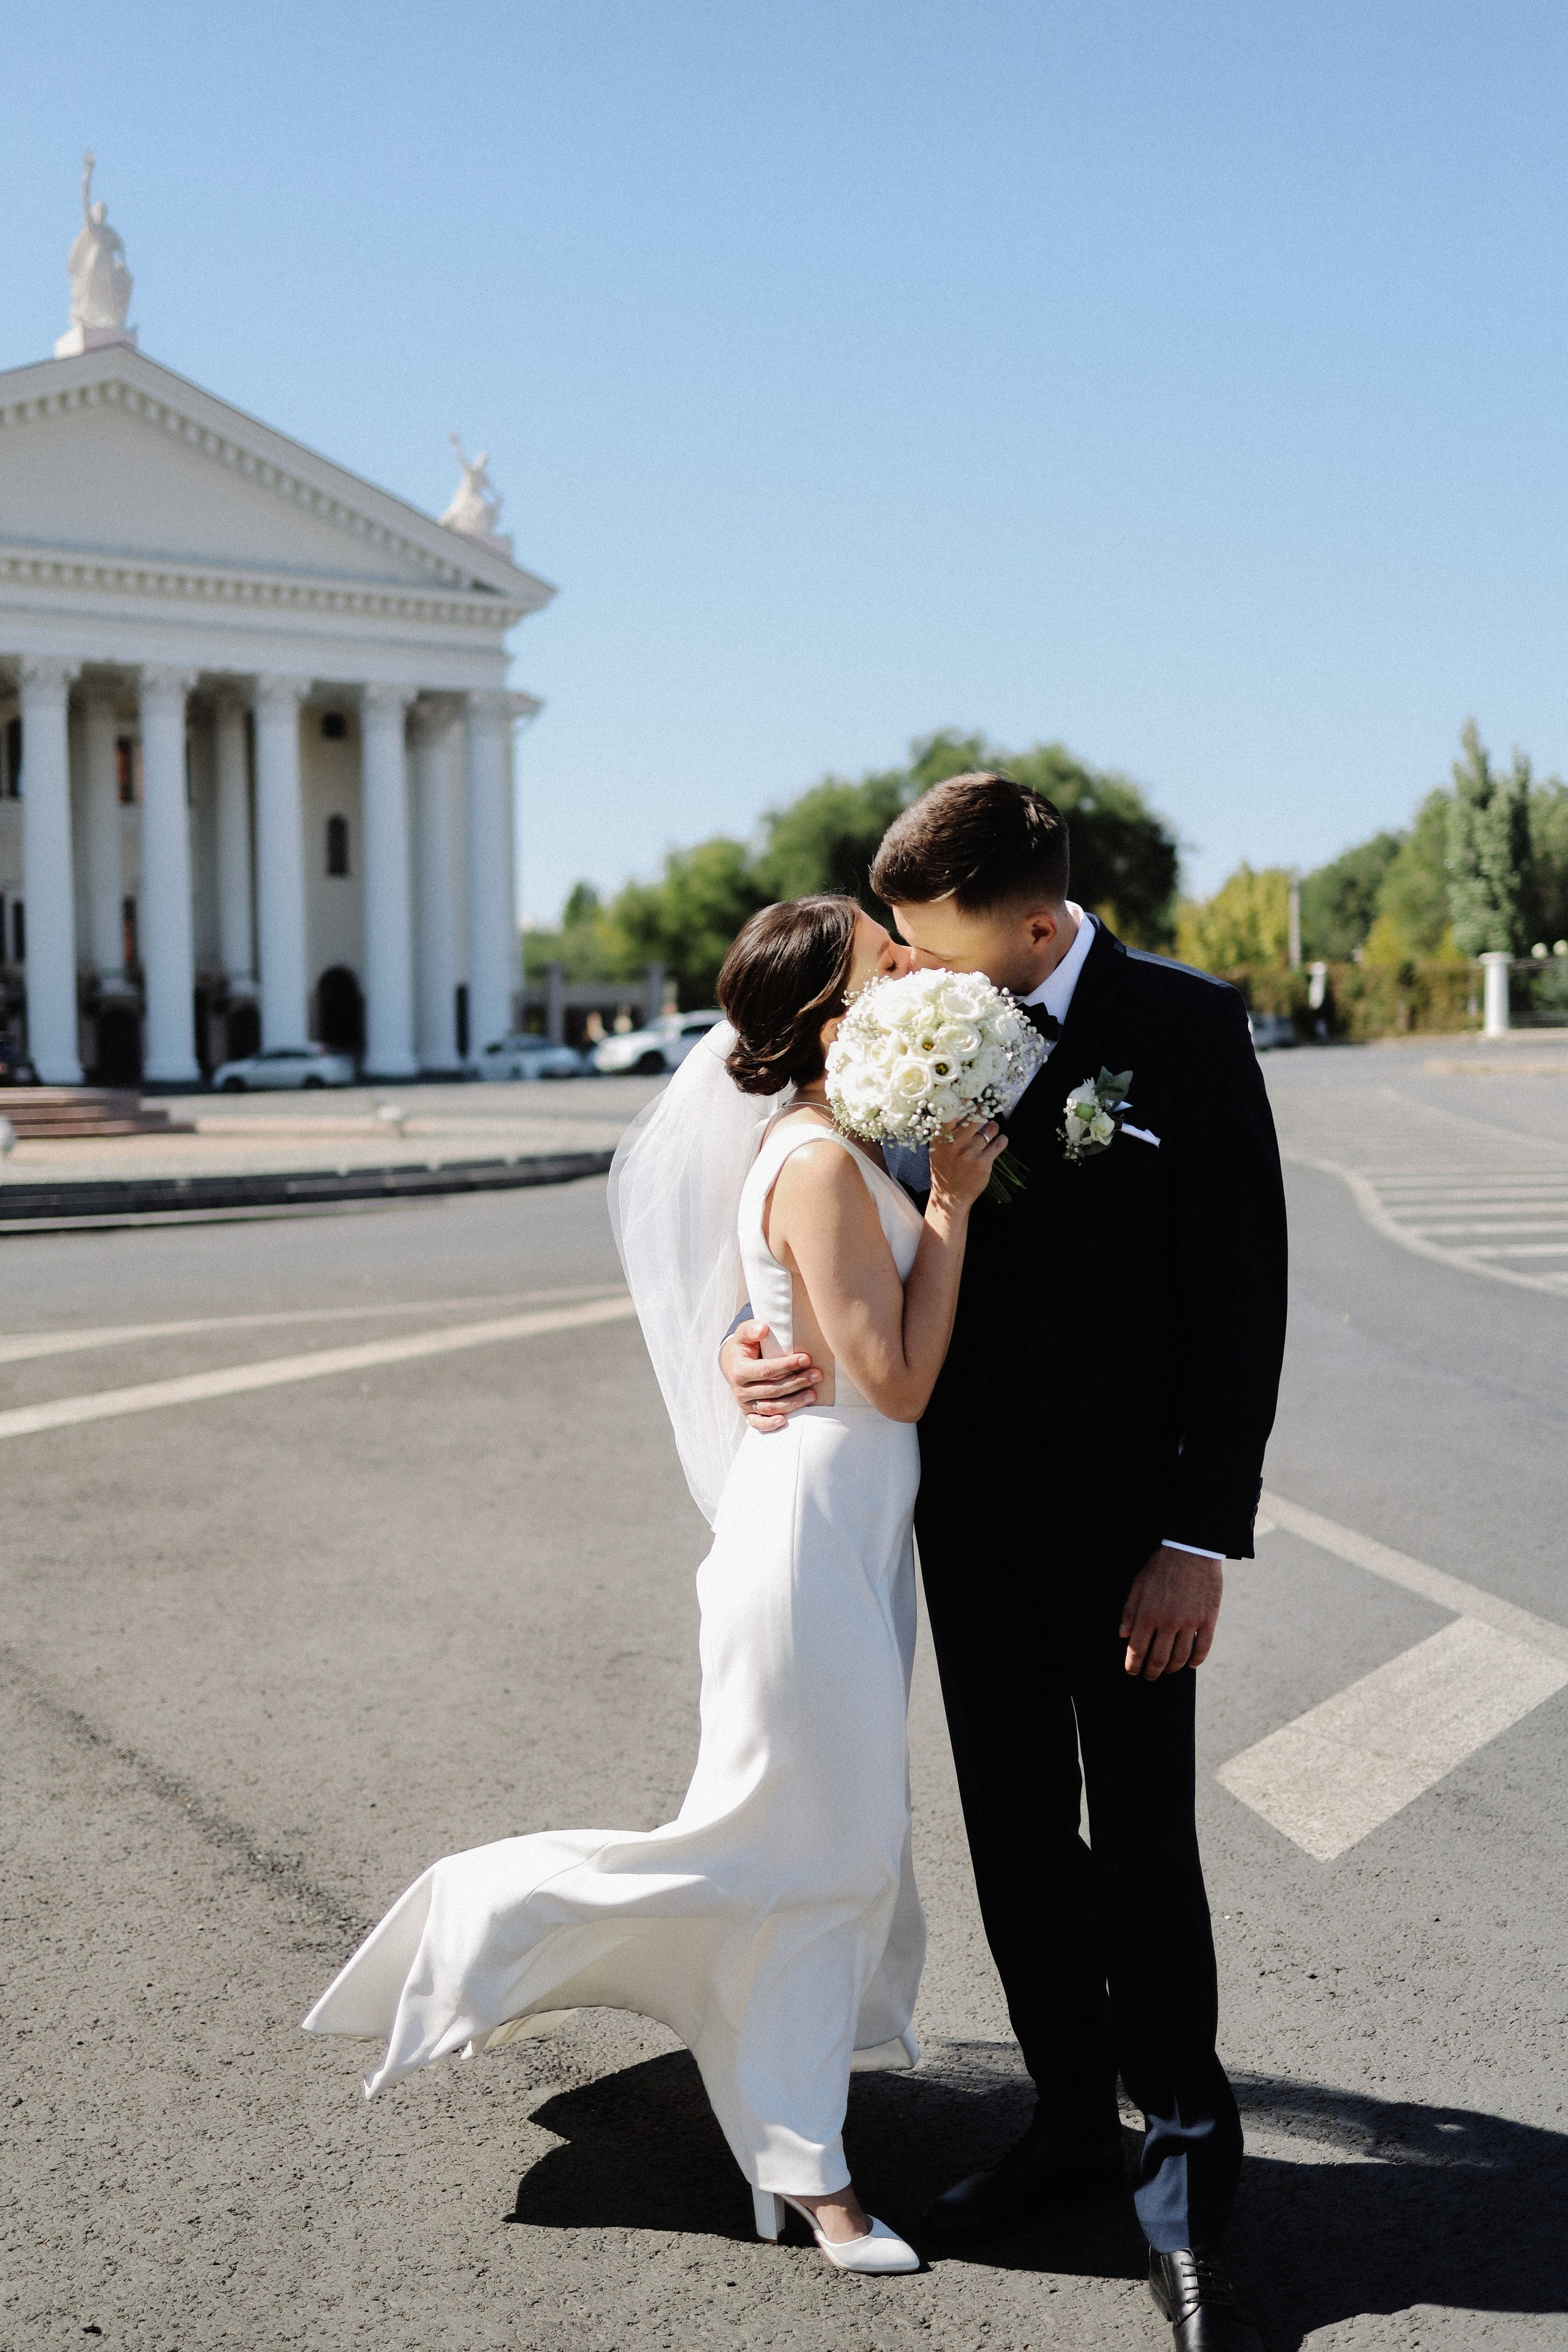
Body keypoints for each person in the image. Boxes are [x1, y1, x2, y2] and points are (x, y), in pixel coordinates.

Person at [304, 894, 1007, 2276]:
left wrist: (883, 1223)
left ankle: (776, 2124)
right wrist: (949, 1207)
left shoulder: (830, 1140)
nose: (912, 970)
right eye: (886, 962)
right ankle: (807, 2175)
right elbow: (901, 1380)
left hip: (844, 1533)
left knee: (811, 1843)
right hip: (805, 1540)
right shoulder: (812, 1162)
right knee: (822, 1851)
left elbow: (820, 1327)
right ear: (826, 1016)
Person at [722, 775, 1287, 2350]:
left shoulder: (1183, 1027)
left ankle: (1182, 2179)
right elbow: (817, 1208)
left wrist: (1192, 1541)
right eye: (892, 947)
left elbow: (1239, 1308)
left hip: (1127, 1548)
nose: (910, 977)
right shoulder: (897, 1027)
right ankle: (1062, 2124)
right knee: (1015, 1848)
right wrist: (742, 1343)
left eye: (930, 946)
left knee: (1145, 1861)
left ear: (1030, 923)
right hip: (955, 1522)